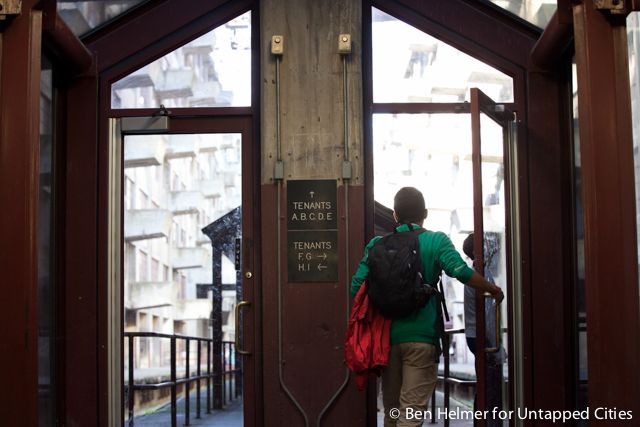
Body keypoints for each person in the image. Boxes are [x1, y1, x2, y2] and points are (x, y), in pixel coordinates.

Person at [351, 187, 503, 427]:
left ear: (395, 215)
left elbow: (356, 287)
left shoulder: (376, 245)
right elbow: (461, 271)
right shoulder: (436, 240)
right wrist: (492, 289)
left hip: (386, 342)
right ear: (425, 213)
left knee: (392, 412)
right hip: (422, 340)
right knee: (410, 414)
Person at [462, 233, 504, 426]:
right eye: (485, 244)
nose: (490, 247)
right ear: (475, 250)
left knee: (485, 382)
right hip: (482, 336)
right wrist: (496, 346)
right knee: (490, 384)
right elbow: (487, 314)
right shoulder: (482, 274)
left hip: (474, 334)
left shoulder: (476, 271)